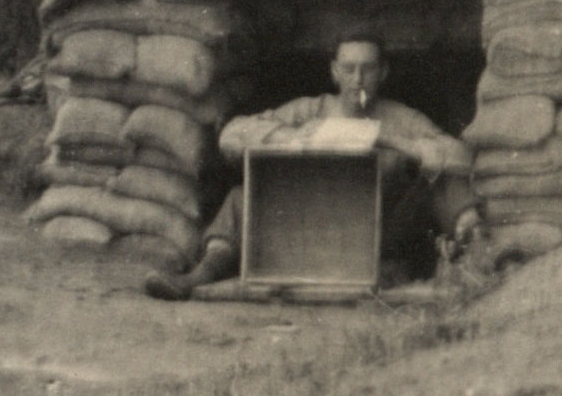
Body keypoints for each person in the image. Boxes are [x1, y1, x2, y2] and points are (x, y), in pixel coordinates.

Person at [144, 33, 482, 300]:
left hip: (377, 228)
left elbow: (460, 156)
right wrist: (293, 138)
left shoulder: (401, 117)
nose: (358, 79)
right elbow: (231, 135)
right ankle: (202, 274)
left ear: (383, 73)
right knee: (238, 198)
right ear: (334, 72)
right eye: (348, 69)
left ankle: (481, 252)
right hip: (307, 223)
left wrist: (395, 141)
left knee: (440, 180)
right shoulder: (310, 110)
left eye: (367, 69)